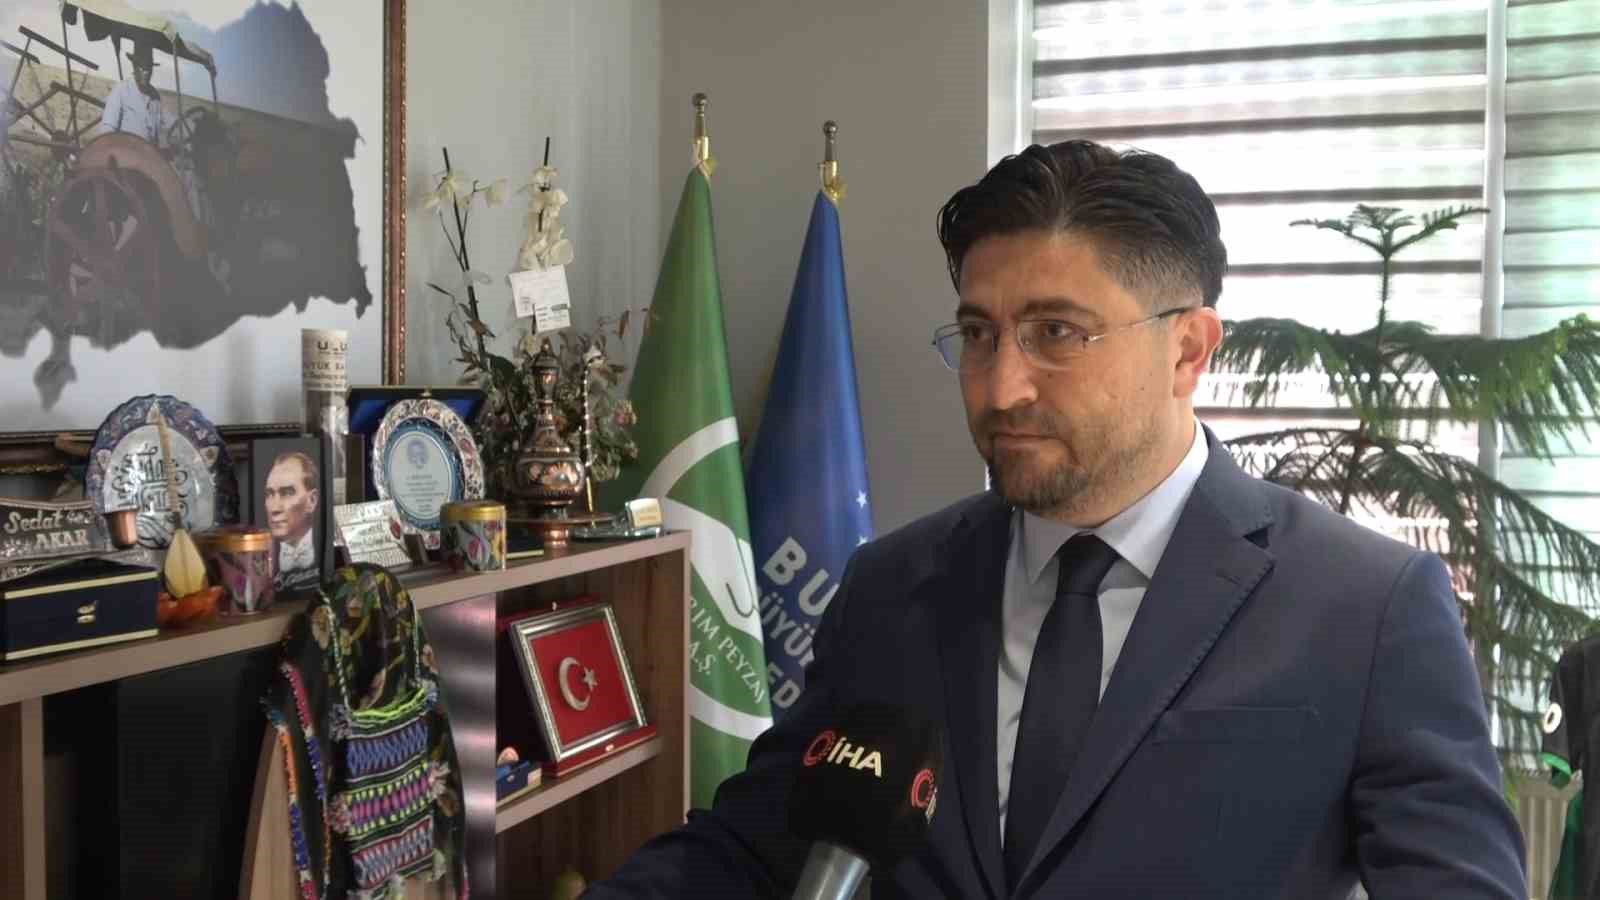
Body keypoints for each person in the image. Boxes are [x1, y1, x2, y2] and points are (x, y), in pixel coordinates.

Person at [586, 141, 1527, 898]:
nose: (1002, 387)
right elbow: (756, 849)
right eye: (979, 334)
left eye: (1057, 334)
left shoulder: (1367, 607)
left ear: (1188, 350)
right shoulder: (891, 588)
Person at [265, 450, 320, 590]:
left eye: (287, 493)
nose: (274, 508)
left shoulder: (328, 549)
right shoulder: (260, 559)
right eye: (269, 494)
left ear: (311, 501)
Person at [97, 43, 166, 147]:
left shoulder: (155, 96)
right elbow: (107, 131)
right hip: (124, 152)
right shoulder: (121, 90)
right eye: (142, 68)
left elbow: (158, 135)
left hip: (148, 154)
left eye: (149, 68)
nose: (146, 72)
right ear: (134, 67)